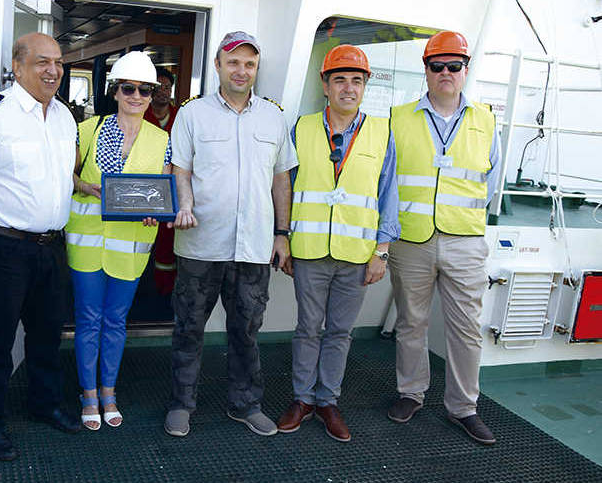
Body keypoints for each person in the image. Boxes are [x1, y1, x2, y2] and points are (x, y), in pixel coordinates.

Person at [164, 31, 298, 438]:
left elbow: (281, 180)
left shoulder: (273, 117)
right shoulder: (192, 114)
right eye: (234, 62)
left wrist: (281, 233)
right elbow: (180, 170)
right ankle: (182, 403)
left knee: (247, 330)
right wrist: (183, 205)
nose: (242, 70)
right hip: (201, 243)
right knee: (189, 327)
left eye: (249, 64)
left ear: (256, 70)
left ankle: (245, 404)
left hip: (254, 247)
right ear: (218, 66)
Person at [0, 32, 80, 463]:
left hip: (52, 247)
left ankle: (44, 404)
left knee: (48, 335)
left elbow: (64, 181)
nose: (53, 71)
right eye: (42, 62)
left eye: (59, 63)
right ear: (18, 66)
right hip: (5, 247)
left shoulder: (65, 117)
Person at [275, 45, 399, 442]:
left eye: (357, 81)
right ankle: (302, 400)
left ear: (365, 87)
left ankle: (328, 401)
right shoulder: (301, 127)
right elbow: (286, 187)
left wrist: (382, 251)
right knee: (307, 328)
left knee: (340, 332)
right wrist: (286, 240)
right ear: (325, 85)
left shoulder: (382, 133)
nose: (349, 88)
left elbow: (388, 194)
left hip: (358, 254)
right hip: (309, 250)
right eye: (340, 79)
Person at [386, 31, 500, 445]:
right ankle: (410, 393)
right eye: (438, 66)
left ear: (465, 70)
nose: (446, 73)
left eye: (454, 66)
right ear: (427, 71)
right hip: (411, 238)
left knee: (467, 328)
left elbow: (492, 181)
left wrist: (458, 216)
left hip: (464, 240)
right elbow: (387, 181)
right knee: (410, 322)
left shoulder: (486, 120)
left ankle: (464, 407)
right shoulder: (398, 118)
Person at [67, 51, 172, 430]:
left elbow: (162, 193)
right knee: (88, 319)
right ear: (116, 91)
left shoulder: (163, 140)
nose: (137, 96)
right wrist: (85, 186)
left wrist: (157, 212)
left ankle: (108, 390)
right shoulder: (87, 130)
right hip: (87, 241)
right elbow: (65, 177)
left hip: (130, 248)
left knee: (115, 321)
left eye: (145, 90)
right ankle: (88, 393)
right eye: (129, 88)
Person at [143, 67, 178, 295]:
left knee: (167, 244)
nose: (163, 92)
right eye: (158, 87)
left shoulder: (181, 117)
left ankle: (164, 294)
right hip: (143, 192)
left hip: (173, 192)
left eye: (167, 87)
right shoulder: (138, 116)